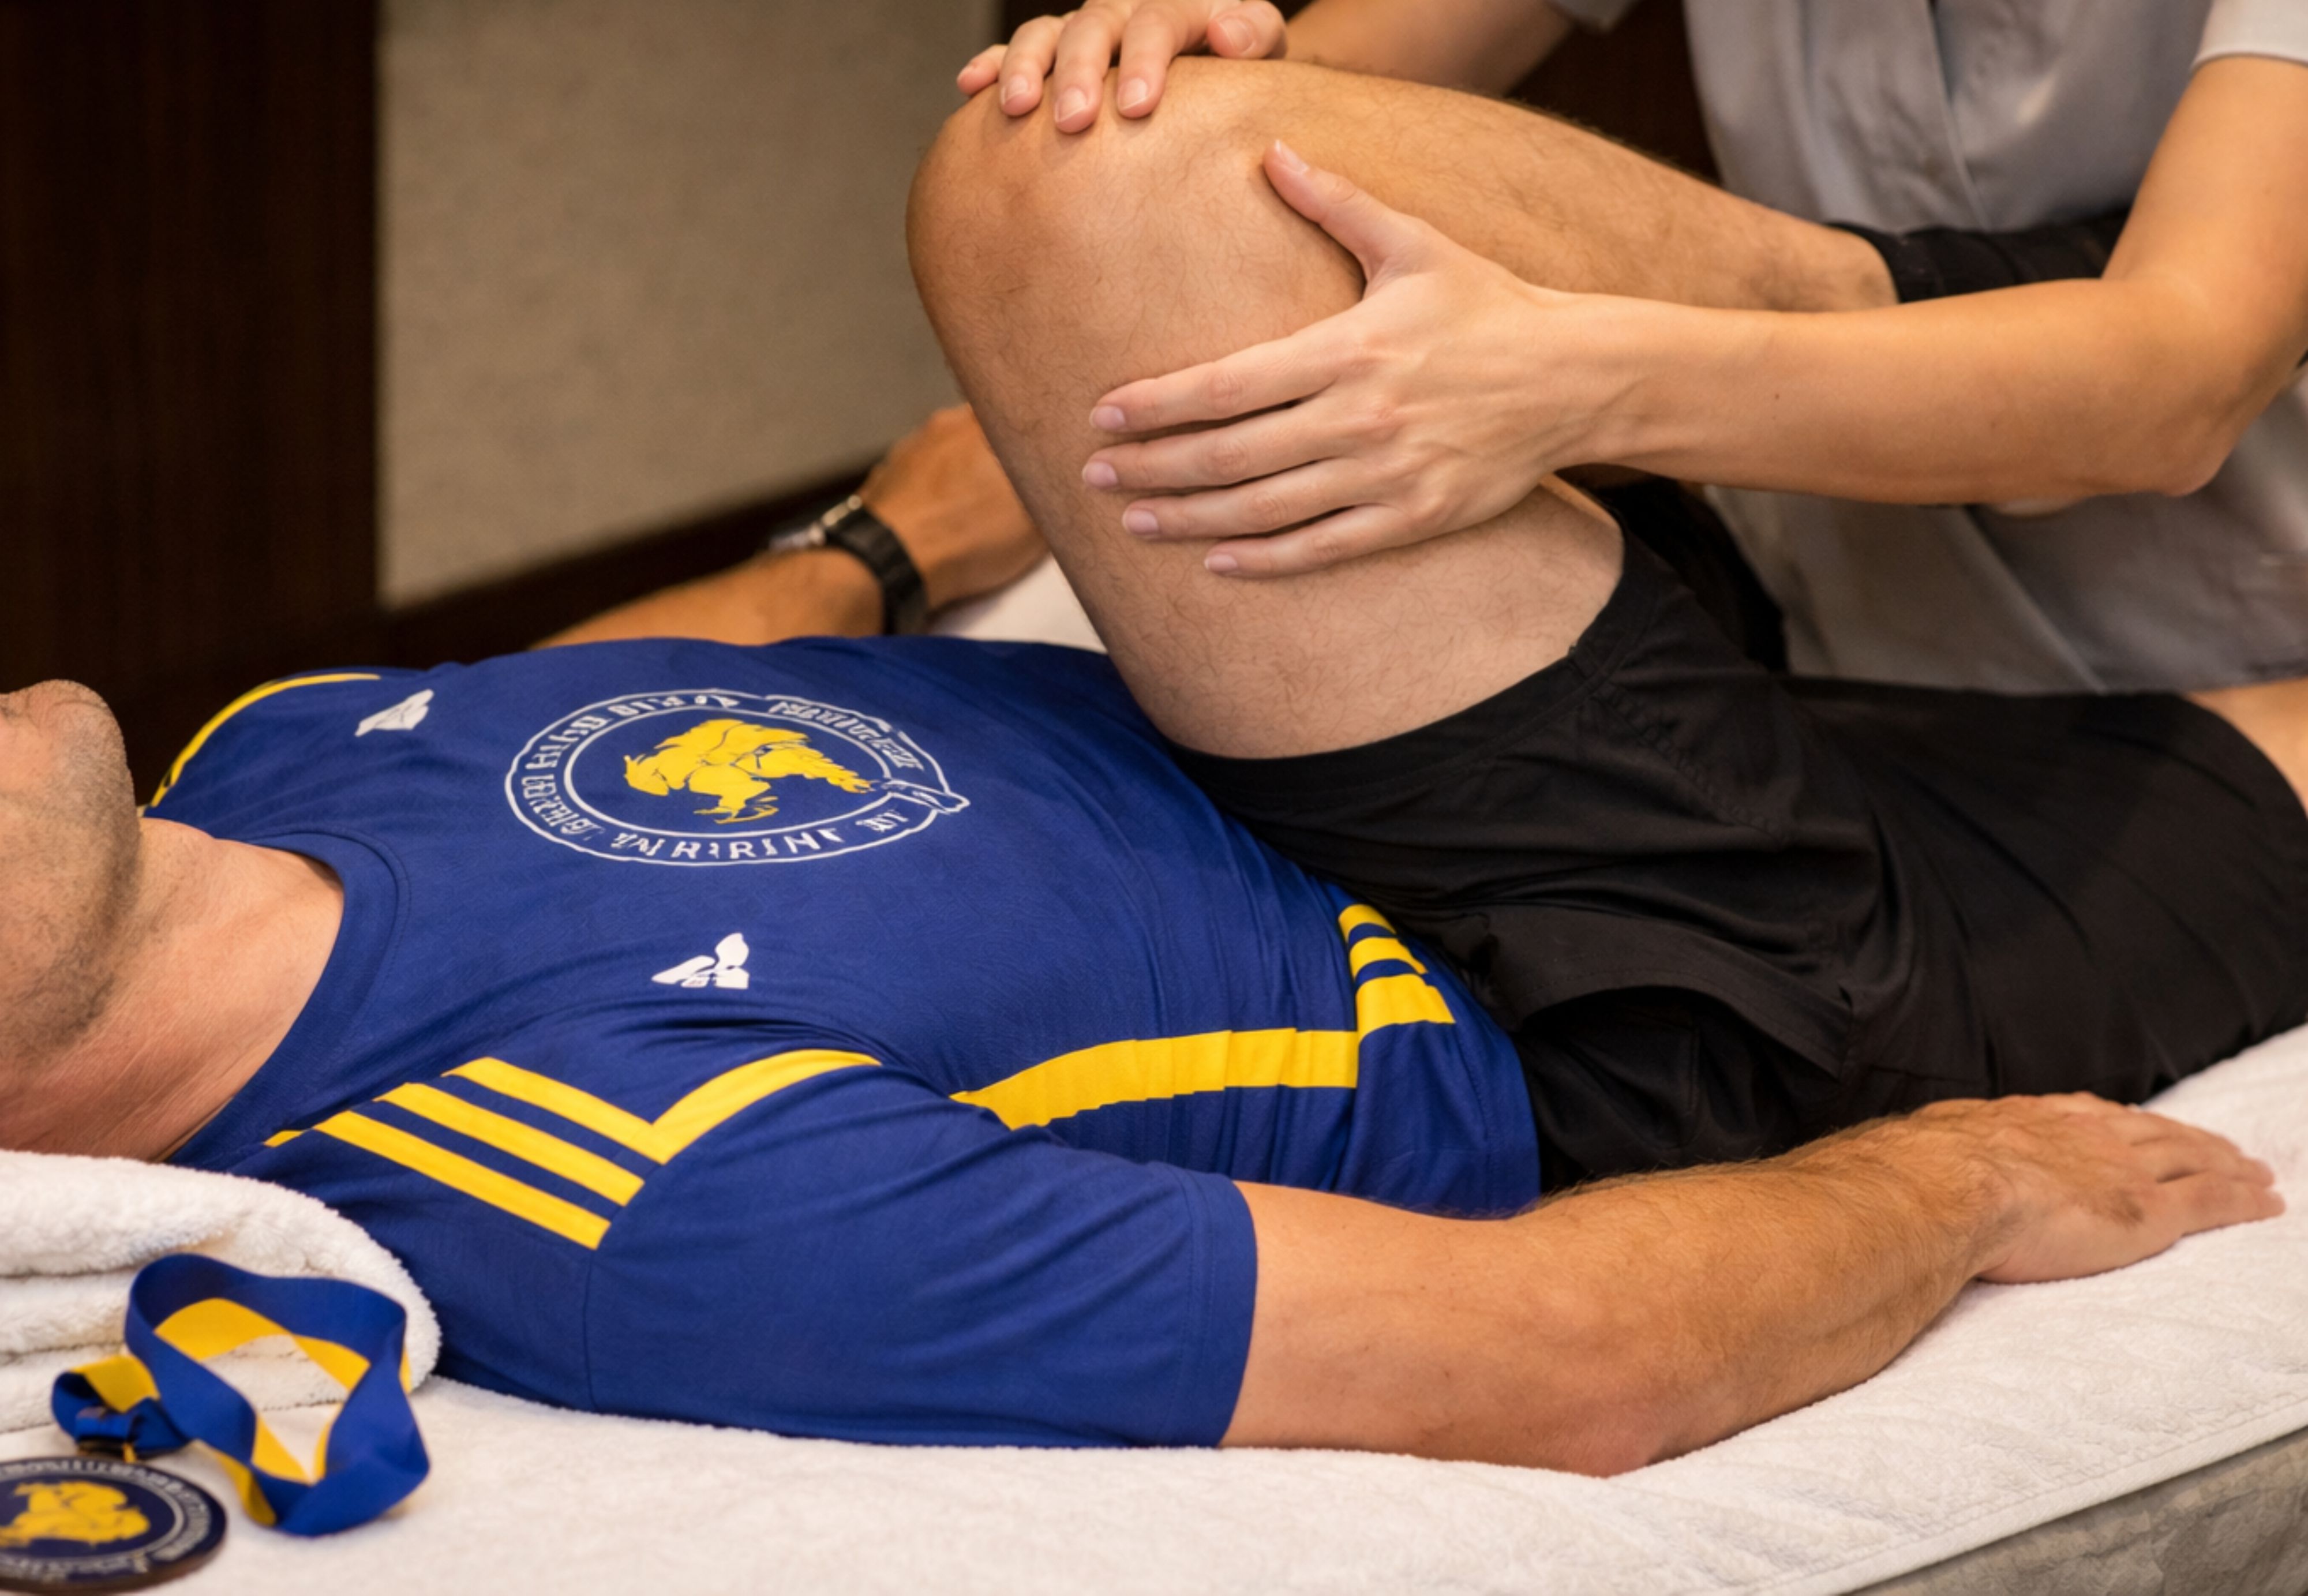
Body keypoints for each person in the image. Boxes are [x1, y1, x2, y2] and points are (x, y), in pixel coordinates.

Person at [0, 199, 2295, 1477]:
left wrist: (884, 541)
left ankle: (2080, 315)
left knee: (1116, 183)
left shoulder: (266, 758)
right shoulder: (610, 1179)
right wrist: (1956, 1179)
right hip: (1631, 971)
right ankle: (2121, 328)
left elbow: (588, 693)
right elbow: (1561, 1357)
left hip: (1369, 708)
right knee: (1075, 196)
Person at [961, 0, 2308, 692]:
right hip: (1824, 599)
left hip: (2220, 657)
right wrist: (1188, 65)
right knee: (1113, 167)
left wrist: (1574, 384)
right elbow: (1309, 86)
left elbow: (2171, 386)